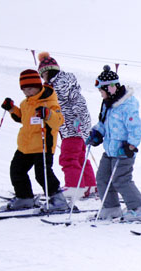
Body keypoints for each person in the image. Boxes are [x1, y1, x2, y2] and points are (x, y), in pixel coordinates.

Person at [0, 69, 70, 211]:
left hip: (43, 145)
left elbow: (59, 121)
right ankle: (24, 198)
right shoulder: (25, 103)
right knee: (16, 170)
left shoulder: (49, 102)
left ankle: (58, 201)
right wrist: (12, 108)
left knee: (42, 174)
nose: (27, 92)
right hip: (25, 146)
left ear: (38, 86)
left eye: (30, 88)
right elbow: (22, 118)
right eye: (24, 89)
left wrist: (48, 114)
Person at [86, 65, 141, 221]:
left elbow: (135, 128)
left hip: (123, 151)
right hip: (109, 150)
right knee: (102, 178)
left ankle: (138, 209)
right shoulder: (107, 104)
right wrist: (96, 133)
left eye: (102, 91)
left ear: (111, 88)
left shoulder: (127, 105)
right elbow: (103, 123)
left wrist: (130, 146)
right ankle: (111, 208)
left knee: (121, 180)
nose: (101, 94)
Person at [37, 52, 97, 201]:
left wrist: (79, 123)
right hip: (75, 128)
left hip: (72, 128)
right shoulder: (64, 83)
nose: (42, 78)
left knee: (68, 158)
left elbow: (78, 104)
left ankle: (75, 187)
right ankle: (89, 185)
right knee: (80, 158)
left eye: (42, 75)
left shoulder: (59, 85)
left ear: (47, 72)